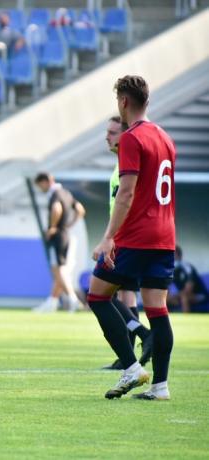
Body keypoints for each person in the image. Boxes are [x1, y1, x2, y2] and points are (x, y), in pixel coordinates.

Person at [88, 75, 176, 401]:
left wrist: (108, 238)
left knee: (97, 295)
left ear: (123, 102)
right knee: (157, 308)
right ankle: (161, 387)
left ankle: (131, 368)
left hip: (137, 235)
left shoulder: (131, 138)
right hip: (165, 235)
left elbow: (126, 193)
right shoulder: (166, 138)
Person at [101, 116, 152, 370]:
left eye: (112, 132)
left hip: (124, 240)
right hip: (123, 238)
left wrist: (109, 238)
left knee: (99, 293)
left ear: (125, 135)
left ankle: (141, 335)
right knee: (126, 294)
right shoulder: (120, 164)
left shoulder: (127, 165)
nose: (107, 136)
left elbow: (127, 202)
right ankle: (129, 354)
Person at [32, 172, 86, 313]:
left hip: (57, 236)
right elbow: (80, 209)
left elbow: (57, 209)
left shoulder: (54, 194)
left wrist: (53, 227)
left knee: (58, 269)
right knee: (60, 269)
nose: (41, 189)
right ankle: (52, 301)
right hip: (66, 233)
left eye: (40, 185)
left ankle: (73, 299)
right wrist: (70, 224)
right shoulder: (66, 193)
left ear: (44, 182)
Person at [168, 245, 209, 313]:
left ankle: (186, 319)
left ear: (179, 256)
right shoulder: (171, 270)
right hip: (182, 295)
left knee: (184, 297)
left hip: (200, 295)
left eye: (173, 255)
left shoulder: (187, 268)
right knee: (165, 299)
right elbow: (166, 288)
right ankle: (166, 321)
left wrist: (176, 296)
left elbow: (188, 290)